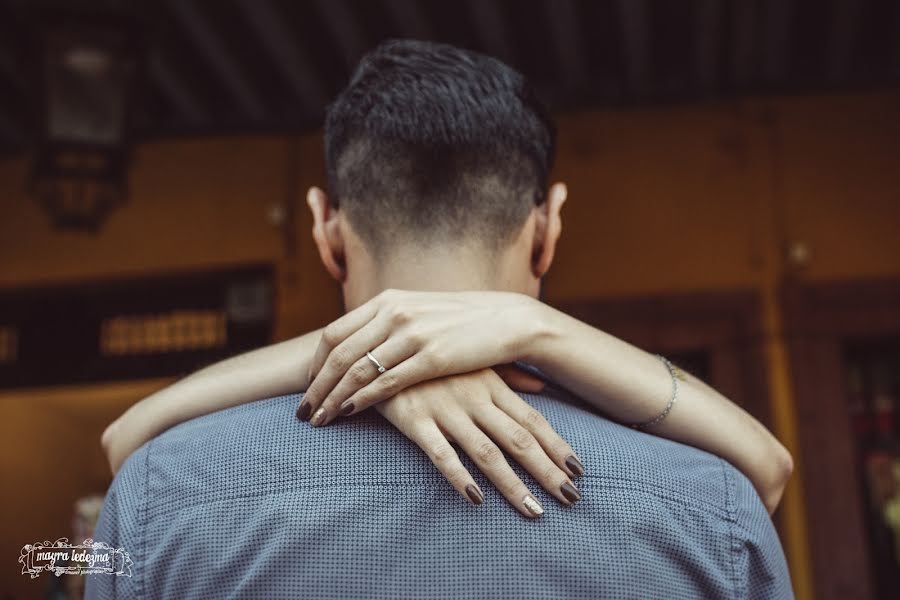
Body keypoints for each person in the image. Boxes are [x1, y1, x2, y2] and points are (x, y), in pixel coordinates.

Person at [87, 39, 794, 599]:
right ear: (547, 230)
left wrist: (374, 349)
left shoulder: (164, 491)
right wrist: (527, 329)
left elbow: (126, 447)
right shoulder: (713, 507)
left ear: (325, 234)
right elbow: (768, 473)